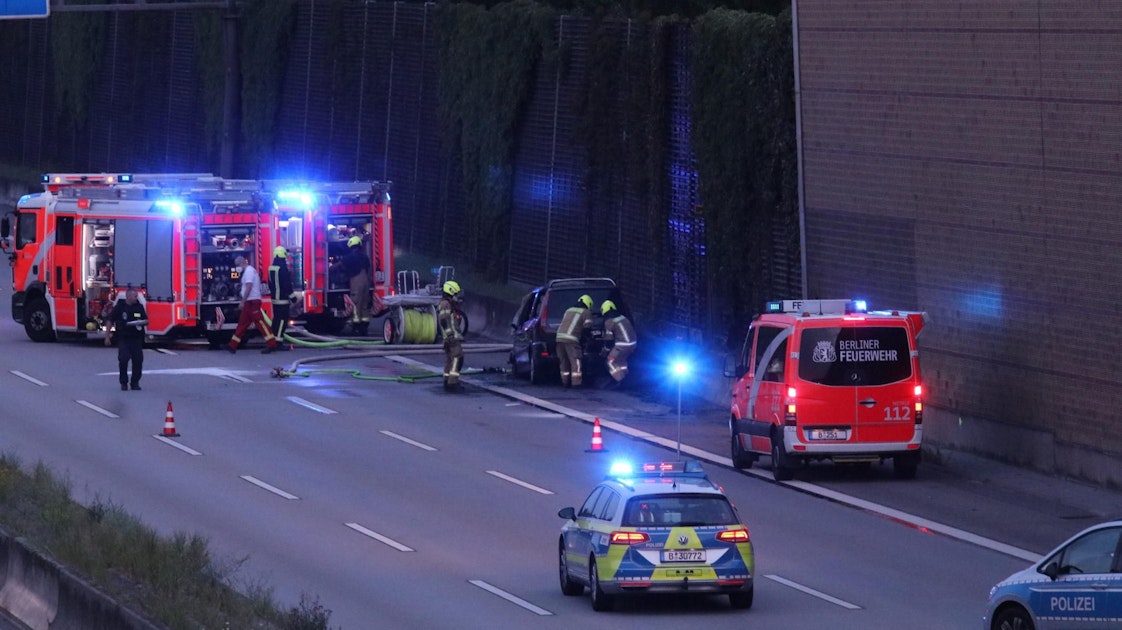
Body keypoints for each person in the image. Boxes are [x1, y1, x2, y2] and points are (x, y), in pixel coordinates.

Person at [228, 254, 279, 354]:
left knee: (260, 323)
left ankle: (272, 344)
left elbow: (249, 286)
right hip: (250, 302)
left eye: (238, 265)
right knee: (242, 324)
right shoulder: (249, 271)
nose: (237, 268)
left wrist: (243, 301)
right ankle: (232, 346)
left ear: (243, 263)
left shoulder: (249, 271)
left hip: (252, 302)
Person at [105, 288, 147, 391]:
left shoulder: (139, 307)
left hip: (136, 339)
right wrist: (107, 337)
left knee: (138, 361)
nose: (136, 298)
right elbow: (110, 321)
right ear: (128, 297)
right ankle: (124, 382)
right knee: (123, 360)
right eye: (135, 296)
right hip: (124, 339)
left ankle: (135, 383)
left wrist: (140, 322)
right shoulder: (120, 307)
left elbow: (146, 320)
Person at [333, 235, 372, 335]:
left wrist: (329, 268)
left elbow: (339, 265)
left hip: (356, 281)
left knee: (355, 304)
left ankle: (355, 327)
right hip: (366, 281)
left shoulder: (349, 257)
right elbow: (369, 269)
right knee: (364, 304)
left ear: (351, 246)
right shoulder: (364, 256)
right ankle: (364, 329)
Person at [556, 294, 593, 388]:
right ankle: (576, 383)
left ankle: (565, 381)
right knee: (576, 360)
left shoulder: (569, 310)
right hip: (571, 339)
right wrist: (588, 339)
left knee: (564, 360)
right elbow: (587, 328)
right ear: (588, 304)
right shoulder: (586, 312)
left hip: (559, 338)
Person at [600, 300, 637, 387]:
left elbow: (609, 340)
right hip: (633, 343)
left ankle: (618, 380)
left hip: (622, 345)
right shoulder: (623, 317)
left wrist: (605, 351)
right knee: (621, 360)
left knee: (610, 361)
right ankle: (626, 378)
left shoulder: (609, 322)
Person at [437, 280, 465, 391]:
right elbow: (443, 320)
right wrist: (450, 334)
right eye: (455, 294)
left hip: (450, 337)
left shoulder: (448, 304)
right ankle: (453, 382)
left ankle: (447, 380)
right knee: (458, 358)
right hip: (451, 337)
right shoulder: (445, 304)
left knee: (450, 359)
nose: (457, 296)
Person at [267, 246, 294, 348]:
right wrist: (293, 297)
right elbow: (286, 284)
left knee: (276, 319)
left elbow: (270, 283)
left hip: (274, 299)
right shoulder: (283, 268)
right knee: (283, 320)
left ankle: (273, 340)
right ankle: (278, 342)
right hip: (283, 299)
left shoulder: (271, 268)